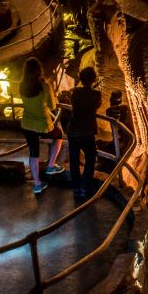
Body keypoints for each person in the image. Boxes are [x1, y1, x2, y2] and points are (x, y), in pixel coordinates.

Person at [19, 57, 64, 194]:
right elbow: (52, 105)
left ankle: (37, 184)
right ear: (39, 70)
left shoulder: (21, 85)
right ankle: (51, 166)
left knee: (34, 152)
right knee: (59, 135)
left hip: (26, 124)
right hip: (43, 124)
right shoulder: (44, 86)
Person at [67, 67, 103, 199]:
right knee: (90, 158)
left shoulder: (75, 92)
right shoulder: (96, 94)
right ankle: (85, 187)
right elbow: (96, 106)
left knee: (74, 160)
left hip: (73, 130)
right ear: (93, 79)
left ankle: (76, 187)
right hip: (87, 131)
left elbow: (76, 103)